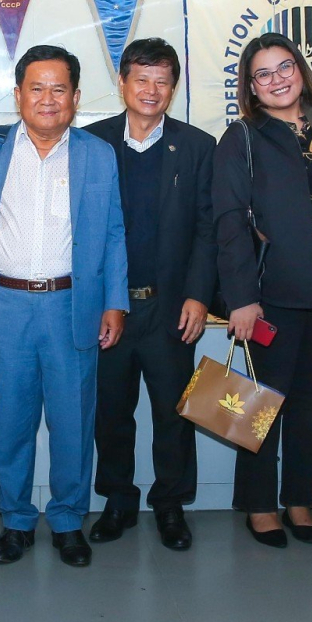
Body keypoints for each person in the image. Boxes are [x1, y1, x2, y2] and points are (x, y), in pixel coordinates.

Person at [0, 44, 127, 567]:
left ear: (74, 96)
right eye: (36, 87)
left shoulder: (96, 153)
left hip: (73, 305)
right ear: (18, 93)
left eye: (59, 89)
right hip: (1, 304)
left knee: (73, 421)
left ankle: (69, 519)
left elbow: (114, 234)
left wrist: (115, 302)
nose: (47, 99)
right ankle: (17, 521)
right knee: (13, 418)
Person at [213, 33, 312, 547]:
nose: (277, 79)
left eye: (284, 67)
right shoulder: (243, 137)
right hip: (269, 296)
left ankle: (300, 500)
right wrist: (242, 299)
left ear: (301, 69)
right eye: (263, 73)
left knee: (309, 401)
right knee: (262, 402)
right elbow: (229, 222)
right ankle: (259, 504)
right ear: (250, 87)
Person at [85, 38, 216, 552]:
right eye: (141, 79)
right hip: (108, 308)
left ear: (173, 87)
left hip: (170, 306)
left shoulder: (199, 146)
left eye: (162, 80)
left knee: (173, 412)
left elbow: (208, 230)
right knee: (111, 413)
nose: (151, 90)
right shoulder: (91, 143)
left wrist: (200, 296)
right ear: (122, 83)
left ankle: (170, 505)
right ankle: (118, 500)